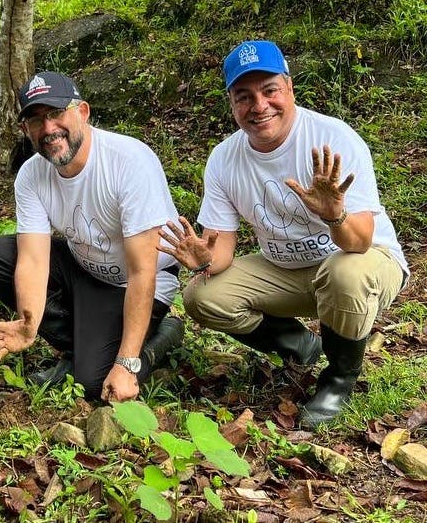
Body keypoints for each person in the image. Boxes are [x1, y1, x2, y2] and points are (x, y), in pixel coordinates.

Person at [158, 40, 409, 428]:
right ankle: (300, 345)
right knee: (203, 296)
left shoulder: (331, 139)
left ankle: (338, 379)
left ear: (289, 88)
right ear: (231, 103)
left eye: (269, 90)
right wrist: (206, 258)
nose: (259, 106)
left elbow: (359, 242)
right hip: (288, 268)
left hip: (363, 261)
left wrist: (335, 214)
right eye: (244, 96)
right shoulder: (225, 159)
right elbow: (221, 246)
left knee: (345, 273)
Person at [0, 71, 185, 402]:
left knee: (94, 383)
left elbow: (143, 271)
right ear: (24, 129)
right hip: (85, 267)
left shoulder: (128, 161)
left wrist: (127, 364)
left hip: (137, 282)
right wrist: (30, 324)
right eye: (35, 120)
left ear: (82, 112)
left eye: (56, 114)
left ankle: (163, 335)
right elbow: (32, 259)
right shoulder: (31, 174)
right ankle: (81, 344)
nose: (47, 129)